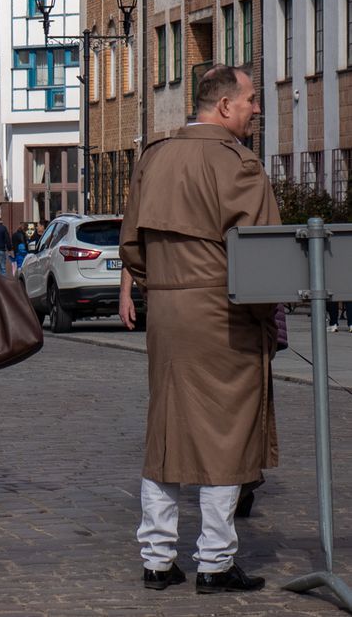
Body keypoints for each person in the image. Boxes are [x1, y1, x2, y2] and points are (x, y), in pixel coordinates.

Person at [120, 65, 278, 595]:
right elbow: (263, 259)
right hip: (223, 312)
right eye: (251, 99)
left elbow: (131, 246)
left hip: (167, 311)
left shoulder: (154, 156)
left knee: (165, 435)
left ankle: (157, 559)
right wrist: (266, 320)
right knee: (225, 438)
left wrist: (161, 287)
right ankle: (215, 561)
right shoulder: (239, 163)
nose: (256, 108)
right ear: (225, 105)